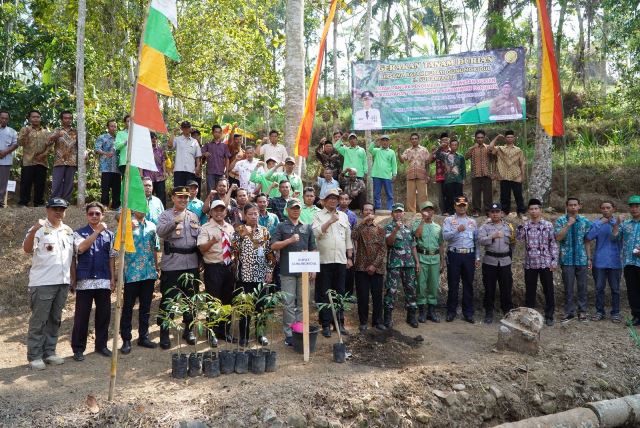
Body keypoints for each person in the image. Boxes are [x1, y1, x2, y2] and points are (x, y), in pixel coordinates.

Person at [23, 197, 75, 370]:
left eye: (62, 209)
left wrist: (72, 278)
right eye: (55, 209)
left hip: (62, 282)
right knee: (39, 320)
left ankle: (50, 352)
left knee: (55, 319)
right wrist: (32, 232)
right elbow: (27, 249)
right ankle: (35, 356)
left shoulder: (68, 231)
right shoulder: (39, 229)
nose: (58, 212)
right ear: (47, 210)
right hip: (42, 282)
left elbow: (73, 256)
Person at [156, 186, 201, 349]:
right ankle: (164, 332)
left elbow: (200, 239)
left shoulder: (194, 216)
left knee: (190, 300)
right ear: (173, 198)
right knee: (169, 300)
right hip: (173, 264)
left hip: (192, 264)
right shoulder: (166, 215)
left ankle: (188, 330)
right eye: (180, 197)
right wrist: (174, 221)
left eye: (186, 197)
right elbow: (160, 231)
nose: (183, 200)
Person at [70, 202, 115, 361]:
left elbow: (111, 257)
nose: (94, 216)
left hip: (104, 281)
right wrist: (97, 232)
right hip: (85, 281)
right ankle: (78, 348)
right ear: (86, 215)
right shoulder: (78, 233)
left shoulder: (109, 235)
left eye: (97, 213)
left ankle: (101, 345)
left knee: (104, 315)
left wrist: (113, 278)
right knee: (82, 316)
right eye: (91, 213)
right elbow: (80, 249)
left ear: (103, 215)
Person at [271, 198, 317, 345]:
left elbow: (313, 248)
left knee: (304, 302)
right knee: (288, 303)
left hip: (304, 272)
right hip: (287, 272)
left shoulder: (307, 227)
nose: (295, 210)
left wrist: (313, 269)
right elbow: (273, 246)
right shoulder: (281, 226)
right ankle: (289, 334)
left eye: (298, 208)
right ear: (287, 210)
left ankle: (301, 330)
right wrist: (289, 241)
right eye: (293, 208)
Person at [231, 202, 275, 346]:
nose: (254, 216)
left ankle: (260, 334)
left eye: (256, 213)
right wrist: (243, 237)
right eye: (250, 214)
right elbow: (233, 252)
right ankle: (244, 335)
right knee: (245, 307)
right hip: (244, 276)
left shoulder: (264, 231)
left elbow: (270, 254)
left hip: (261, 276)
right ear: (244, 215)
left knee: (260, 307)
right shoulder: (239, 231)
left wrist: (269, 271)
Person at [312, 188, 354, 337]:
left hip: (341, 260)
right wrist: (329, 221)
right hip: (324, 261)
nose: (333, 200)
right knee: (324, 294)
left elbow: (348, 237)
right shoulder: (317, 215)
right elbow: (316, 233)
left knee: (340, 293)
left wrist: (349, 257)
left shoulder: (343, 216)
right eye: (330, 198)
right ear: (324, 200)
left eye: (335, 198)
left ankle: (339, 323)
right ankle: (325, 325)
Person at [120, 209, 160, 354]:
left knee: (146, 307)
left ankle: (143, 336)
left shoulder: (152, 226)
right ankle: (126, 339)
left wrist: (156, 268)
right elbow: (120, 247)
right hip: (132, 274)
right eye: (139, 207)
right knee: (128, 307)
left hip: (148, 273)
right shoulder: (127, 225)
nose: (142, 210)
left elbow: (155, 248)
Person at [198, 200, 236, 346]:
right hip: (213, 268)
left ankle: (224, 331)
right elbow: (202, 249)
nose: (219, 213)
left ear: (226, 212)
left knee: (227, 300)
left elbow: (234, 246)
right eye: (216, 210)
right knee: (213, 301)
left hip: (228, 267)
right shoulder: (206, 228)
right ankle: (212, 333)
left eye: (222, 210)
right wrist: (212, 241)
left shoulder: (230, 228)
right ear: (211, 212)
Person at [517, 198, 559, 326]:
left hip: (545, 262)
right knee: (530, 290)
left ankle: (549, 315)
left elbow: (553, 243)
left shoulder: (548, 225)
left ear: (540, 210)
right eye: (531, 209)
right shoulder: (526, 225)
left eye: (536, 209)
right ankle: (529, 315)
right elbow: (519, 239)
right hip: (530, 263)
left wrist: (554, 260)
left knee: (548, 290)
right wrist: (521, 225)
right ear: (529, 211)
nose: (534, 211)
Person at [443, 196, 479, 323]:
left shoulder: (473, 222)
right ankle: (451, 312)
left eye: (464, 205)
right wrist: (457, 230)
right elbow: (445, 236)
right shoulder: (449, 220)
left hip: (469, 255)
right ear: (455, 206)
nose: (462, 207)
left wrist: (477, 257)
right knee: (453, 284)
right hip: (454, 254)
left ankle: (468, 313)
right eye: (459, 205)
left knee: (468, 284)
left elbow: (476, 241)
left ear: (467, 206)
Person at [555, 197, 592, 322]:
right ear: (567, 207)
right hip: (567, 259)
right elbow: (558, 238)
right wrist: (568, 224)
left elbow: (587, 241)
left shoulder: (585, 221)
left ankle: (582, 311)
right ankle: (569, 312)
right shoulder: (561, 220)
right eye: (570, 205)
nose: (573, 207)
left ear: (579, 206)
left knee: (582, 286)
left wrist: (589, 258)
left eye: (575, 205)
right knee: (568, 287)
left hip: (581, 259)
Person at [383, 203, 420, 328]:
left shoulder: (408, 229)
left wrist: (417, 262)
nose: (398, 214)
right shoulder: (388, 227)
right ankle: (387, 318)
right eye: (396, 212)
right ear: (392, 214)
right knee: (391, 290)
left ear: (403, 213)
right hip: (395, 264)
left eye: (400, 212)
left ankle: (411, 316)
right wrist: (395, 230)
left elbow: (413, 246)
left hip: (409, 264)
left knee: (411, 289)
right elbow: (389, 242)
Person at [585, 201, 623, 322]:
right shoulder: (596, 223)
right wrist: (600, 223)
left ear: (614, 209)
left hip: (615, 261)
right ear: (600, 210)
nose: (605, 210)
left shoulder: (620, 224)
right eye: (603, 208)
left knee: (615, 289)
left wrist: (616, 223)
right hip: (599, 261)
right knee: (599, 288)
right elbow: (588, 238)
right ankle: (599, 311)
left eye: (608, 208)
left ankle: (615, 312)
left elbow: (617, 237)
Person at [478, 202, 515, 324]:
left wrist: (509, 257)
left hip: (505, 261)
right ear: (489, 213)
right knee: (489, 288)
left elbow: (513, 242)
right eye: (493, 212)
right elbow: (481, 241)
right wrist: (492, 236)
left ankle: (507, 311)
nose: (495, 214)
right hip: (490, 261)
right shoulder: (485, 227)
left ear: (502, 213)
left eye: (497, 212)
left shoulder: (508, 226)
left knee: (506, 287)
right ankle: (489, 311)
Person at [352, 202, 386, 331]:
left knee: (377, 296)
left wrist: (374, 265)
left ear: (374, 213)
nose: (368, 212)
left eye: (370, 210)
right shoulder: (358, 227)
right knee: (363, 297)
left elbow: (383, 249)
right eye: (365, 210)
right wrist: (362, 222)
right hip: (361, 267)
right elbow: (353, 236)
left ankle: (377, 321)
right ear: (362, 212)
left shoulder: (380, 228)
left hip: (377, 268)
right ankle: (363, 322)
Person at [412, 201, 445, 323]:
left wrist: (442, 261)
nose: (428, 212)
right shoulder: (417, 224)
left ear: (434, 212)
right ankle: (422, 312)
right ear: (421, 212)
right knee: (421, 286)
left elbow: (441, 244)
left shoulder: (437, 227)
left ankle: (431, 311)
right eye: (426, 210)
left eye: (430, 210)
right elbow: (417, 235)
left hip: (435, 259)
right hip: (422, 258)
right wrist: (422, 220)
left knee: (433, 285)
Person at [612, 195, 640, 326]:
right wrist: (617, 223)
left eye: (637, 206)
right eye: (632, 206)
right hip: (629, 262)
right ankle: (636, 316)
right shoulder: (626, 224)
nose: (634, 209)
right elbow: (615, 238)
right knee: (632, 290)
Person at [489, 131, 526, 217]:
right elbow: (490, 148)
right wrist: (497, 137)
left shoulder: (518, 150)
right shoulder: (500, 149)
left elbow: (522, 163)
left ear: (514, 138)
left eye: (511, 137)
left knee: (518, 195)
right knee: (504, 196)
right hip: (503, 176)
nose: (509, 139)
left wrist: (522, 176)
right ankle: (505, 212)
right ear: (505, 139)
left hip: (516, 175)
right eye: (508, 137)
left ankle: (521, 212)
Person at [18, 110, 50, 207]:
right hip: (28, 161)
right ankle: (23, 202)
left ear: (40, 118)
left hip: (42, 161)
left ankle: (38, 203)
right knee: (26, 183)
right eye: (33, 117)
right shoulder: (25, 129)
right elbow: (20, 143)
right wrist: (25, 134)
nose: (36, 119)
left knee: (40, 183)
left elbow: (50, 145)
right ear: (29, 118)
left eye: (37, 117)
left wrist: (44, 154)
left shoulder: (45, 132)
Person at [47, 110, 77, 201]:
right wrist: (56, 135)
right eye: (65, 118)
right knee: (57, 182)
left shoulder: (76, 131)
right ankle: (55, 201)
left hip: (71, 160)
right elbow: (48, 142)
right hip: (59, 160)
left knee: (69, 183)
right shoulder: (57, 130)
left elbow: (82, 146)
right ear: (61, 119)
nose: (68, 120)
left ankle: (66, 201)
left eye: (69, 118)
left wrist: (85, 153)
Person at [398, 133, 430, 213]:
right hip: (410, 176)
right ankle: (411, 214)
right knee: (410, 196)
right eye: (412, 139)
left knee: (423, 196)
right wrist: (398, 152)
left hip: (422, 175)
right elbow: (402, 161)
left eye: (416, 138)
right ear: (410, 140)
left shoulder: (424, 150)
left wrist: (428, 175)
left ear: (419, 140)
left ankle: (424, 212)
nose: (414, 140)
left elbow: (428, 162)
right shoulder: (408, 151)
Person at [465, 130, 493, 216]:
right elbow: (466, 156)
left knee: (488, 194)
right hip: (475, 175)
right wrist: (473, 147)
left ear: (484, 138)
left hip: (486, 174)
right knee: (476, 194)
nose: (480, 139)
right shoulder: (472, 149)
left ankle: (488, 211)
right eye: (478, 138)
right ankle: (476, 211)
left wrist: (494, 173)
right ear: (475, 138)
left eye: (481, 137)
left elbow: (494, 159)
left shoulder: (488, 148)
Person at [95, 119, 120, 210]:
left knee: (116, 188)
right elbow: (97, 149)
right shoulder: (102, 137)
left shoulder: (118, 138)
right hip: (106, 167)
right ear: (108, 127)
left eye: (115, 126)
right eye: (111, 126)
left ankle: (116, 205)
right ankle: (104, 205)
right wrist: (105, 153)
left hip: (117, 167)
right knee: (105, 188)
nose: (113, 128)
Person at [169, 121, 202, 187]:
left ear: (190, 128)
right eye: (184, 127)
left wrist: (198, 166)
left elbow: (198, 156)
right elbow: (170, 145)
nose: (186, 129)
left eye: (188, 127)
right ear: (181, 128)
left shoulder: (194, 141)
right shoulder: (177, 139)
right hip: (179, 169)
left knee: (189, 191)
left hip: (191, 170)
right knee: (178, 191)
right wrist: (173, 132)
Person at [437, 138, 465, 216]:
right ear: (450, 146)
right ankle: (449, 212)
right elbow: (437, 154)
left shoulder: (460, 157)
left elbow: (463, 169)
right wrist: (440, 146)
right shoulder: (445, 155)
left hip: (458, 180)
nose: (454, 146)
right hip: (448, 180)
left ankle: (459, 212)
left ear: (458, 146)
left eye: (455, 145)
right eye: (452, 145)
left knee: (459, 197)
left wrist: (463, 179)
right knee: (449, 196)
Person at [369, 135, 397, 211]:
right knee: (376, 193)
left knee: (389, 194)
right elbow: (369, 149)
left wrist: (394, 174)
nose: (385, 142)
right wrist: (375, 141)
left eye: (386, 140)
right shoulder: (376, 150)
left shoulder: (391, 152)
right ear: (380, 142)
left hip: (387, 176)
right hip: (376, 175)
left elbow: (394, 164)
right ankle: (378, 208)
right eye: (383, 140)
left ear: (389, 142)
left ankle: (390, 209)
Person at [201, 124, 231, 191]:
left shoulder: (224, 146)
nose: (217, 134)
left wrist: (226, 171)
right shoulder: (207, 144)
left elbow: (227, 159)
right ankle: (211, 202)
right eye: (215, 132)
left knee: (221, 191)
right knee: (211, 191)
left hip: (221, 172)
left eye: (219, 132)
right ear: (212, 133)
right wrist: (204, 153)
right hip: (210, 172)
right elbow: (200, 154)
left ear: (221, 133)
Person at [142, 131, 167, 207]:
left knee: (161, 195)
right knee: (147, 195)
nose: (154, 139)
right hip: (148, 176)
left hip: (159, 176)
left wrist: (164, 172)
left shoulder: (160, 150)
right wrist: (141, 175)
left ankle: (163, 212)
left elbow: (163, 162)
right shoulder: (144, 150)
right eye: (152, 138)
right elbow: (141, 163)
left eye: (155, 138)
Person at [0, 109, 18, 207]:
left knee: (3, 183)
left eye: (6, 119)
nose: (4, 120)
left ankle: (0, 203)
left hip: (5, 161)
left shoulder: (12, 131)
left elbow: (15, 144)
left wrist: (5, 152)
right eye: (2, 118)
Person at [429, 133, 450, 214]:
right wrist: (432, 152)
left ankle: (450, 211)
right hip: (439, 177)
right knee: (441, 197)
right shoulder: (438, 151)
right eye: (443, 140)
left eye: (446, 140)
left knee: (449, 195)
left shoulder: (451, 150)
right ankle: (443, 212)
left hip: (449, 177)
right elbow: (429, 161)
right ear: (440, 141)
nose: (445, 142)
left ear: (449, 141)